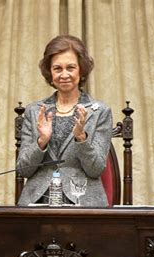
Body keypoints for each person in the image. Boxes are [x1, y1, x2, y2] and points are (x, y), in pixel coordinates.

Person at [17, 35, 113, 207]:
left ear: (81, 70)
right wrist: (41, 142)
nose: (64, 74)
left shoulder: (99, 112)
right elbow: (24, 170)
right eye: (57, 68)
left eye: (71, 67)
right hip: (36, 203)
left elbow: (95, 169)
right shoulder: (35, 111)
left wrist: (81, 138)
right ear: (50, 72)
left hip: (83, 203)